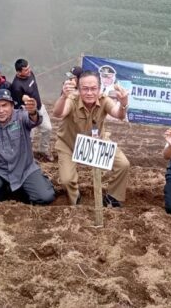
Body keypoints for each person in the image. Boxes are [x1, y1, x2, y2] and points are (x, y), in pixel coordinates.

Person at [52, 70, 130, 207]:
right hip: (69, 144)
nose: (89, 93)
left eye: (93, 89)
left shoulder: (104, 100)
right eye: (85, 89)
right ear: (79, 89)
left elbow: (119, 115)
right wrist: (63, 97)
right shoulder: (72, 100)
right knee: (66, 180)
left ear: (99, 89)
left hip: (96, 143)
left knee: (123, 164)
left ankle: (113, 197)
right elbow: (58, 113)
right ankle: (75, 198)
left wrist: (123, 104)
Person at [10, 58, 53, 162]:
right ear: (18, 72)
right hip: (27, 112)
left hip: (40, 107)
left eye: (29, 67)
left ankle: (44, 150)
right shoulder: (16, 86)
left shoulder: (31, 74)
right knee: (28, 136)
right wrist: (24, 99)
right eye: (26, 70)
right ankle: (28, 156)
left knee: (48, 129)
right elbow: (18, 105)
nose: (29, 70)